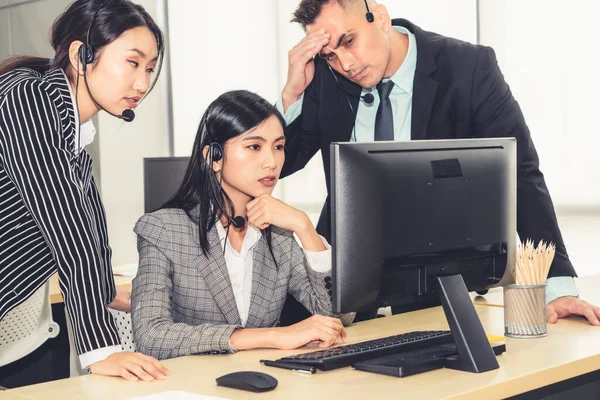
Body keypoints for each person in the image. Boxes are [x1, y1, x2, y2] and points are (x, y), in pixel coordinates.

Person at [276, 0, 600, 324]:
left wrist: (558, 288)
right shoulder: (323, 80)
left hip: (436, 291)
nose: (345, 63)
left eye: (349, 41)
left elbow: (520, 173)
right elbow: (278, 164)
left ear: (382, 18)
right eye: (329, 55)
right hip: (342, 292)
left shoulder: (467, 68)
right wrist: (292, 93)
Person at [0, 0, 169, 383]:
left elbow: (86, 213)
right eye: (132, 62)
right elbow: (67, 225)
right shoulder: (31, 100)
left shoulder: (67, 127)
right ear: (82, 55)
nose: (142, 83)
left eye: (150, 68)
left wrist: (105, 291)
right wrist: (102, 349)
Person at [131, 90, 354, 360]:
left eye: (279, 147)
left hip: (266, 382)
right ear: (213, 157)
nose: (272, 162)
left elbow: (338, 314)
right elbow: (150, 334)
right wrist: (273, 336)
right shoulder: (164, 229)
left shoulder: (279, 232)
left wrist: (304, 227)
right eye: (254, 147)